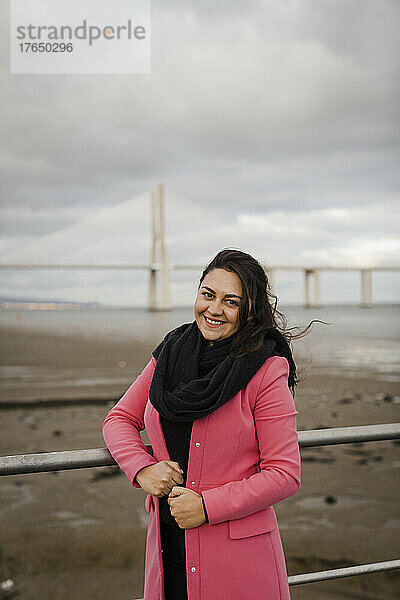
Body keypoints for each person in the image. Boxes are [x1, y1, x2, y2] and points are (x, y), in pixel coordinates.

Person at [102, 249, 315, 600]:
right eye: (208, 294)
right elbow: (119, 419)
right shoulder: (170, 353)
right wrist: (142, 468)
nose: (214, 309)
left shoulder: (266, 368)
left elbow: (284, 473)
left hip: (238, 561)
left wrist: (206, 506)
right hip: (167, 546)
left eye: (231, 301)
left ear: (250, 311)